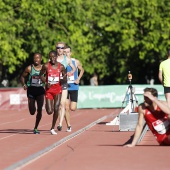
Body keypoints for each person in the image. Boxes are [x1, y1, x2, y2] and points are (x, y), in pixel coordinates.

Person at [39, 50, 67, 135]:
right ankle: (47, 105)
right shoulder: (46, 66)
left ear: (56, 57)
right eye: (50, 57)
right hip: (49, 90)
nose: (52, 59)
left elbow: (65, 76)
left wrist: (63, 79)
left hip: (58, 89)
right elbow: (40, 75)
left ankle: (52, 128)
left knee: (56, 108)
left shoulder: (61, 66)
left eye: (54, 57)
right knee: (49, 111)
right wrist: (46, 82)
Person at [20, 52, 45, 134]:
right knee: (32, 112)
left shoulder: (44, 68)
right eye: (34, 58)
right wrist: (24, 84)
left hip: (40, 90)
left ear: (41, 59)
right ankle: (31, 104)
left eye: (38, 58)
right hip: (31, 90)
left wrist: (46, 81)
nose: (36, 59)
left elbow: (48, 77)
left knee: (40, 110)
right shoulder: (29, 68)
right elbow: (22, 77)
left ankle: (36, 127)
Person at [55, 42, 76, 131]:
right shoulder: (53, 59)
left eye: (61, 48)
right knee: (58, 105)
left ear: (64, 49)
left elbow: (74, 68)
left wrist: (71, 72)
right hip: (55, 84)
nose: (60, 49)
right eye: (58, 48)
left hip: (63, 83)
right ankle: (61, 122)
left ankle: (60, 124)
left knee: (62, 103)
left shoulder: (67, 59)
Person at [64, 45, 84, 132]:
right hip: (65, 87)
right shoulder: (61, 63)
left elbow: (82, 70)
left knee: (73, 108)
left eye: (68, 52)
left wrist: (78, 79)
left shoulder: (75, 61)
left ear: (70, 53)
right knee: (66, 107)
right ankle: (68, 125)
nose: (66, 54)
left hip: (74, 86)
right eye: (64, 52)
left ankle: (73, 105)